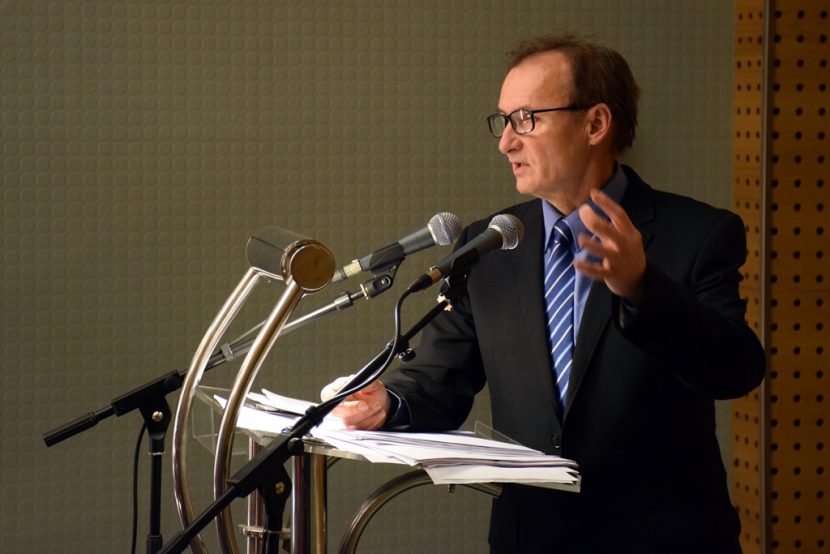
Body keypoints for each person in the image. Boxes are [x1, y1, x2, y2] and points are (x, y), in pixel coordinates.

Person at [322, 34, 765, 553]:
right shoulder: (490, 244)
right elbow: (441, 379)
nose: (506, 143)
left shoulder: (698, 234)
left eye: (526, 119)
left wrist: (642, 288)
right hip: (530, 537)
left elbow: (735, 369)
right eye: (503, 121)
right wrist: (388, 401)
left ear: (595, 124)